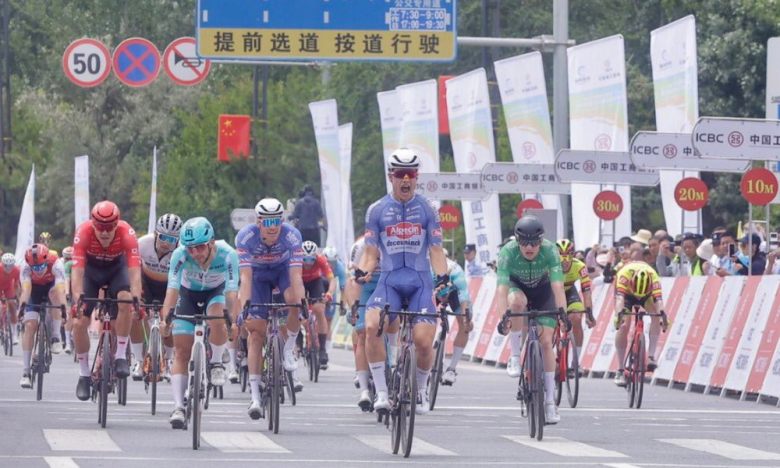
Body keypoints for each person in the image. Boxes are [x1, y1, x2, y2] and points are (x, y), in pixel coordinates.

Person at [346, 147, 450, 415]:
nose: (406, 179)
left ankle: (421, 388)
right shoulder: (377, 210)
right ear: (391, 176)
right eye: (400, 174)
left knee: (424, 341)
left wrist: (443, 278)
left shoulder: (429, 209)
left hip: (420, 282)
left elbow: (436, 250)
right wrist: (362, 272)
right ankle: (381, 393)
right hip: (389, 280)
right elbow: (371, 253)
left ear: (417, 176)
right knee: (371, 327)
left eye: (411, 174)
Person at [159, 217, 239, 428]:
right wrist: (165, 319)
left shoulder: (228, 254)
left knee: (218, 317)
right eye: (190, 249)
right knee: (181, 351)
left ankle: (216, 363)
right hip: (188, 294)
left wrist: (233, 321)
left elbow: (231, 292)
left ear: (211, 242)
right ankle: (178, 407)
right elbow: (172, 289)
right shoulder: (180, 254)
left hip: (216, 292)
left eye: (200, 247)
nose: (195, 253)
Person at [235, 197, 306, 420]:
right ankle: (255, 396)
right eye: (267, 222)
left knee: (294, 300)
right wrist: (245, 304)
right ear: (258, 222)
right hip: (257, 276)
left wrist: (301, 302)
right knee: (255, 332)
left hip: (282, 271)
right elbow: (245, 278)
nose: (272, 226)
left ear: (282, 220)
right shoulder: (245, 237)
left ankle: (288, 350)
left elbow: (296, 276)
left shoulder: (292, 235)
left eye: (277, 221)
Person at [495, 215, 568, 424]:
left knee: (546, 343)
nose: (529, 247)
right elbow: (501, 290)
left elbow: (558, 287)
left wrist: (562, 313)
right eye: (524, 242)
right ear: (517, 241)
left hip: (544, 292)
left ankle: (549, 403)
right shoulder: (507, 252)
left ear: (541, 241)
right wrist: (504, 318)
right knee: (516, 303)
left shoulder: (550, 250)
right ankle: (516, 356)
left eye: (534, 242)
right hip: (518, 288)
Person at [71, 201, 141, 401]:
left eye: (110, 227)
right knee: (78, 322)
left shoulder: (127, 233)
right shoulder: (83, 232)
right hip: (91, 274)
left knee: (126, 299)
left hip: (116, 271)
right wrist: (78, 301)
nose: (104, 232)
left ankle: (120, 355)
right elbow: (77, 274)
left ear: (117, 224)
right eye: (100, 227)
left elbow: (135, 272)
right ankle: (84, 374)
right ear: (93, 224)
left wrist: (136, 297)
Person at [132, 213, 182, 381]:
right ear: (155, 233)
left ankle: (168, 361)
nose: (167, 243)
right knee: (136, 316)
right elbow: (133, 272)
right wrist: (136, 297)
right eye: (163, 237)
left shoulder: (181, 250)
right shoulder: (142, 244)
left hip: (169, 286)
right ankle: (139, 361)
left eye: (172, 239)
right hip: (146, 283)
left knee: (169, 321)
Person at [17, 244, 67, 388]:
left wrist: (63, 307)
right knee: (30, 326)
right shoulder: (25, 266)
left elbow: (60, 288)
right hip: (33, 290)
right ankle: (26, 372)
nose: (38, 270)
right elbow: (26, 290)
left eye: (41, 266)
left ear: (46, 260)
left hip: (52, 286)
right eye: (35, 268)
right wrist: (22, 307)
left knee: (55, 296)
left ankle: (55, 336)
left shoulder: (56, 263)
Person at [613, 261, 667, 386]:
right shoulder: (623, 276)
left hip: (647, 296)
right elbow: (620, 299)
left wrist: (662, 318)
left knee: (656, 315)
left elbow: (659, 301)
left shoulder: (654, 278)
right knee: (623, 325)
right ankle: (620, 369)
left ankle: (651, 356)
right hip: (627, 294)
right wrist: (618, 316)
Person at [556, 239, 595, 367]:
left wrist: (589, 314)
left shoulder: (580, 266)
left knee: (577, 317)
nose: (565, 263)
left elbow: (586, 292)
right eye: (562, 260)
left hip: (570, 293)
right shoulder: (549, 266)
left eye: (568, 259)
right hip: (552, 294)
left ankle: (575, 361)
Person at [300, 240, 337, 370]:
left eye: (311, 260)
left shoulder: (321, 259)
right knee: (300, 313)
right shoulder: (296, 262)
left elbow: (332, 279)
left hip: (315, 281)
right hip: (300, 282)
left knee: (319, 309)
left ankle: (322, 349)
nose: (308, 263)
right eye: (305, 259)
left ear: (316, 256)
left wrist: (329, 294)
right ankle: (300, 338)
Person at [439, 251, 473, 386]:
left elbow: (463, 295)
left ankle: (451, 369)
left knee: (465, 326)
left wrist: (466, 318)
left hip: (453, 293)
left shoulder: (455, 270)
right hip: (431, 292)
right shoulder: (425, 267)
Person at [322, 245, 347, 353]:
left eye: (333, 262)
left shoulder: (340, 267)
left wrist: (342, 304)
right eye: (328, 262)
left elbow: (343, 289)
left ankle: (326, 349)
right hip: (319, 285)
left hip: (331, 288)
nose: (331, 265)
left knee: (328, 321)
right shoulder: (319, 263)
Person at [0, 252, 20, 345]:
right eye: (6, 266)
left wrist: (18, 298)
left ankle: (14, 333)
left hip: (8, 287)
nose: (9, 268)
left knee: (12, 305)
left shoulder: (16, 270)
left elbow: (16, 285)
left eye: (11, 265)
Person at [61, 246, 75, 353]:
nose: (68, 260)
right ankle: (68, 343)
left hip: (79, 290)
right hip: (67, 290)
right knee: (69, 315)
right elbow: (66, 279)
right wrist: (66, 293)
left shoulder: (74, 263)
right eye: (67, 258)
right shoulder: (64, 264)